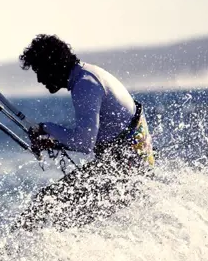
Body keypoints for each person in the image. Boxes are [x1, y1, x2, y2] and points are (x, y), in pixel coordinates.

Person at [14, 34, 155, 230]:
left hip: (125, 172)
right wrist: (54, 142)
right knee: (65, 220)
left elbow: (83, 143)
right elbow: (96, 136)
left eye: (40, 71)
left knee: (44, 204)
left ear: (53, 66)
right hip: (127, 169)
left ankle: (9, 257)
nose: (39, 79)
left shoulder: (85, 84)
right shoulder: (87, 75)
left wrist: (46, 128)